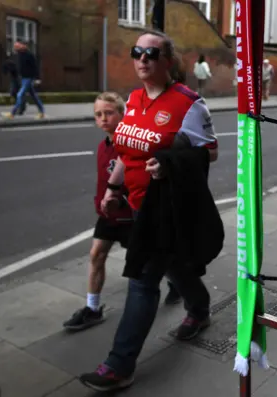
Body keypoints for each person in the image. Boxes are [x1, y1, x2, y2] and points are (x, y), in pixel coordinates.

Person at [79, 30, 222, 392]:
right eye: (137, 52)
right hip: (137, 205)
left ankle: (119, 365)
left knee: (143, 280)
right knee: (173, 265)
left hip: (168, 209)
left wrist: (171, 163)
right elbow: (127, 153)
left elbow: (210, 151)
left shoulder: (189, 104)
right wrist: (113, 188)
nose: (142, 59)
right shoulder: (134, 99)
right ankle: (200, 308)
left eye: (151, 54)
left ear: (167, 62)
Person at [63, 93, 182, 332]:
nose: (104, 118)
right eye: (99, 114)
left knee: (153, 263)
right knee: (97, 254)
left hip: (133, 216)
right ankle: (93, 308)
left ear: (123, 114)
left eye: (109, 113)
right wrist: (102, 201)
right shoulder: (103, 146)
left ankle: (178, 284)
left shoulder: (134, 145)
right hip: (109, 215)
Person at [1, 41, 44, 119]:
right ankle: (42, 112)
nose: (15, 47)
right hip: (23, 78)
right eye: (15, 46)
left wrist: (37, 78)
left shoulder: (30, 55)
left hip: (29, 78)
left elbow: (35, 67)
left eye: (17, 46)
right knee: (34, 96)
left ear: (23, 45)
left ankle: (12, 114)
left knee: (19, 94)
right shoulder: (19, 55)